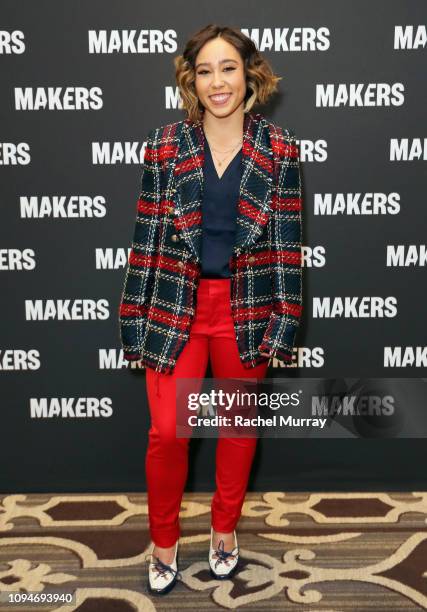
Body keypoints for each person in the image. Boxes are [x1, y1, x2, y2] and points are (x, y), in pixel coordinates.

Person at [118, 24, 303, 595]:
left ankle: (224, 529)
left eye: (228, 67)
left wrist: (285, 314)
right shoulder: (165, 145)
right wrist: (134, 316)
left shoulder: (279, 149)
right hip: (177, 304)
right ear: (190, 80)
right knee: (169, 432)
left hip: (246, 307)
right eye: (205, 70)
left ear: (249, 74)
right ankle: (165, 538)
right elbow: (147, 237)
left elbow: (287, 243)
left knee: (237, 427)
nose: (217, 81)